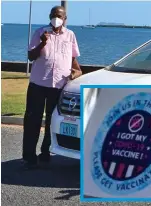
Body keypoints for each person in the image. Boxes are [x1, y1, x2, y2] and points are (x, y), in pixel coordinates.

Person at [23, 5, 82, 169]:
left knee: (51, 120)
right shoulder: (40, 32)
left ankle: (45, 152)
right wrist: (42, 43)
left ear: (65, 19)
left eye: (60, 16)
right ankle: (29, 157)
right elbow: (30, 56)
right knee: (32, 119)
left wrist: (74, 74)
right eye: (54, 15)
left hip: (58, 87)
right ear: (49, 16)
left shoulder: (70, 35)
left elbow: (75, 65)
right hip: (38, 84)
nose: (56, 18)